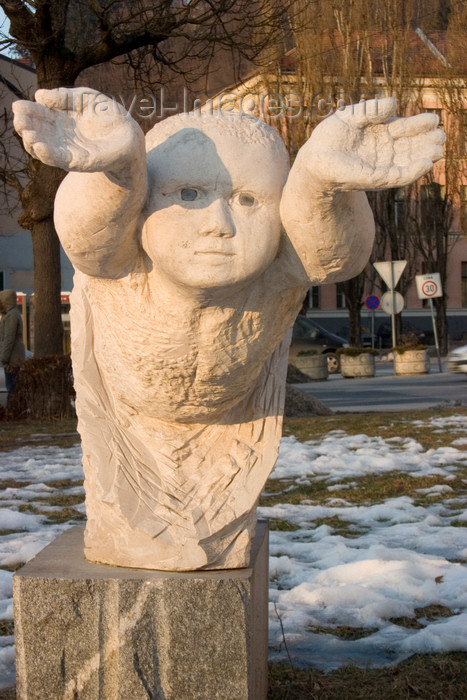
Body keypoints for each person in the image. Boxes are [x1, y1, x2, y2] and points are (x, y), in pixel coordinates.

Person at [11, 89, 444, 570]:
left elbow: (329, 255)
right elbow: (87, 238)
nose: (219, 224)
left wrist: (321, 183)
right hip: (127, 435)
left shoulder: (273, 272)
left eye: (247, 199)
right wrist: (118, 171)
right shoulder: (126, 260)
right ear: (141, 204)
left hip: (229, 443)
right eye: (189, 195)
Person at [0, 289, 25, 410]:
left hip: (12, 358)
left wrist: (4, 357)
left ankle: (14, 411)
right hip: (13, 356)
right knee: (13, 386)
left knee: (12, 387)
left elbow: (8, 339)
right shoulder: (11, 314)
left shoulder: (11, 316)